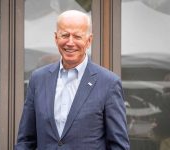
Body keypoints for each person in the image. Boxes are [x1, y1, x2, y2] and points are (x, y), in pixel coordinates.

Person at [15, 10, 130, 150]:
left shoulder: (108, 83)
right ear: (56, 38)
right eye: (65, 35)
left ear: (89, 41)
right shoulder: (38, 79)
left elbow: (118, 145)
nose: (70, 42)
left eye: (77, 36)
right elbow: (26, 140)